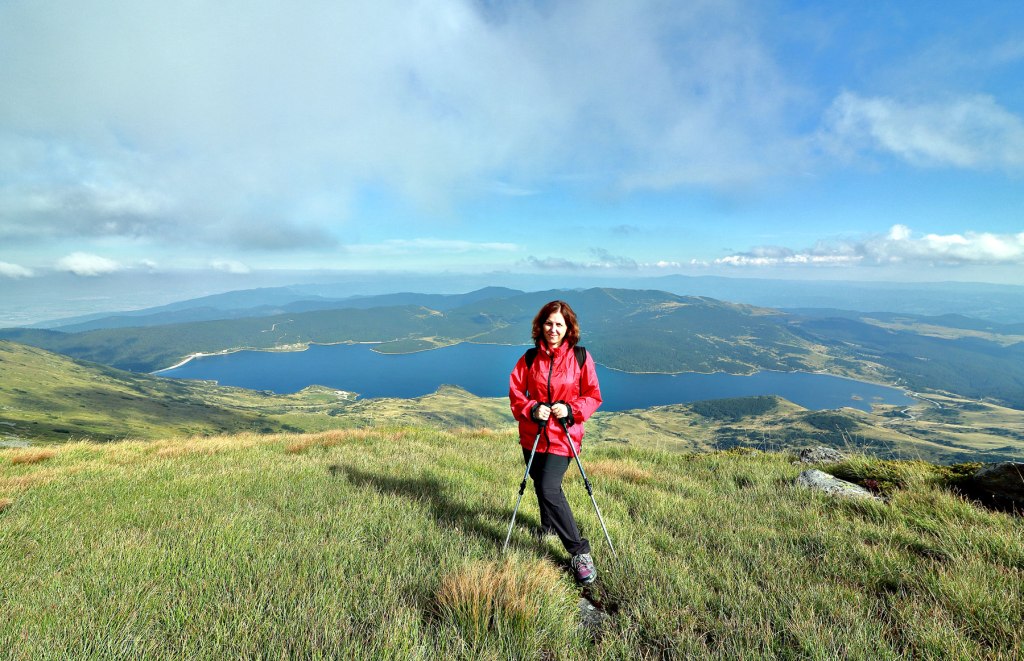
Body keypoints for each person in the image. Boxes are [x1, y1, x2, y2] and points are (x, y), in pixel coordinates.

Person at [508, 300, 603, 584]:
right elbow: (516, 394)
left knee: (549, 487)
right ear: (541, 325)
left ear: (568, 328)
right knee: (540, 483)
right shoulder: (528, 359)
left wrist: (571, 410)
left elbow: (593, 395)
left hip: (563, 437)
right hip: (533, 436)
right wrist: (532, 409)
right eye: (549, 323)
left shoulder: (581, 357)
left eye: (559, 324)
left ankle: (578, 552)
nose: (553, 329)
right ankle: (548, 527)